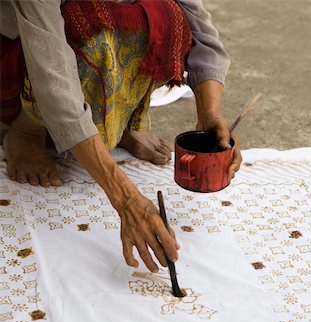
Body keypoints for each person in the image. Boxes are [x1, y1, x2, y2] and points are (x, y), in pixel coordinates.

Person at [0, 0, 241, 273]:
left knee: (168, 17)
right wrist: (126, 199)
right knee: (91, 26)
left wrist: (209, 114)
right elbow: (52, 75)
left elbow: (201, 32)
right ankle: (27, 129)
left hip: (74, 35)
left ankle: (119, 123)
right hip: (19, 47)